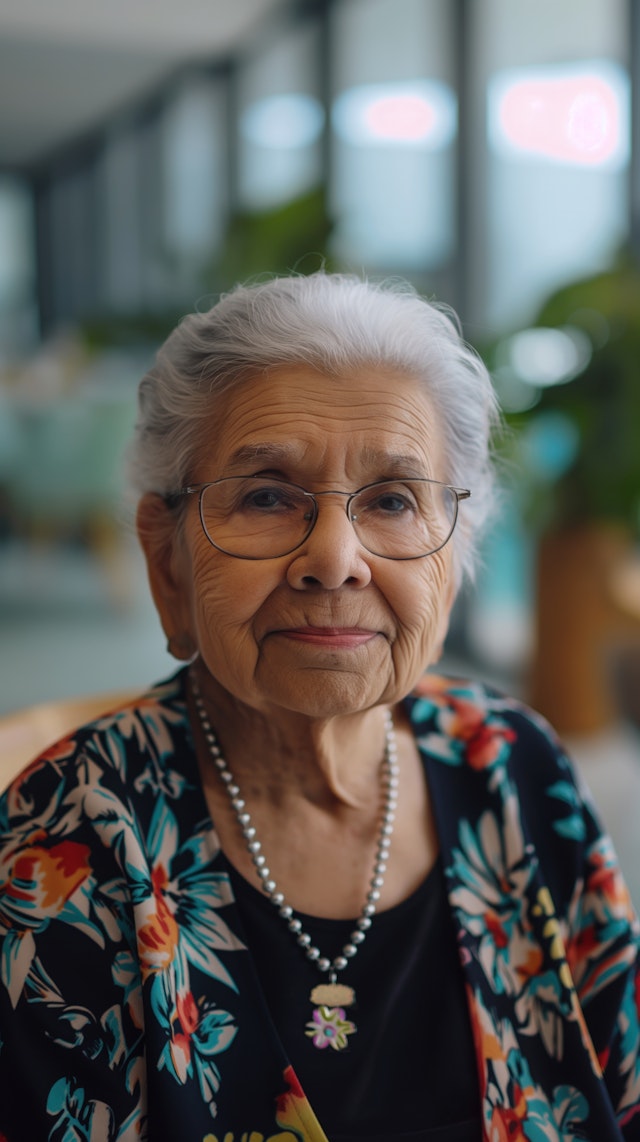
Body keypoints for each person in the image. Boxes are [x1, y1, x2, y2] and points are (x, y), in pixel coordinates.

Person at [0, 272, 638, 1142]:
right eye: (267, 496)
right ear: (167, 564)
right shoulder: (64, 835)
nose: (334, 559)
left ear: (452, 566)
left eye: (393, 500)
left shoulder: (514, 762)